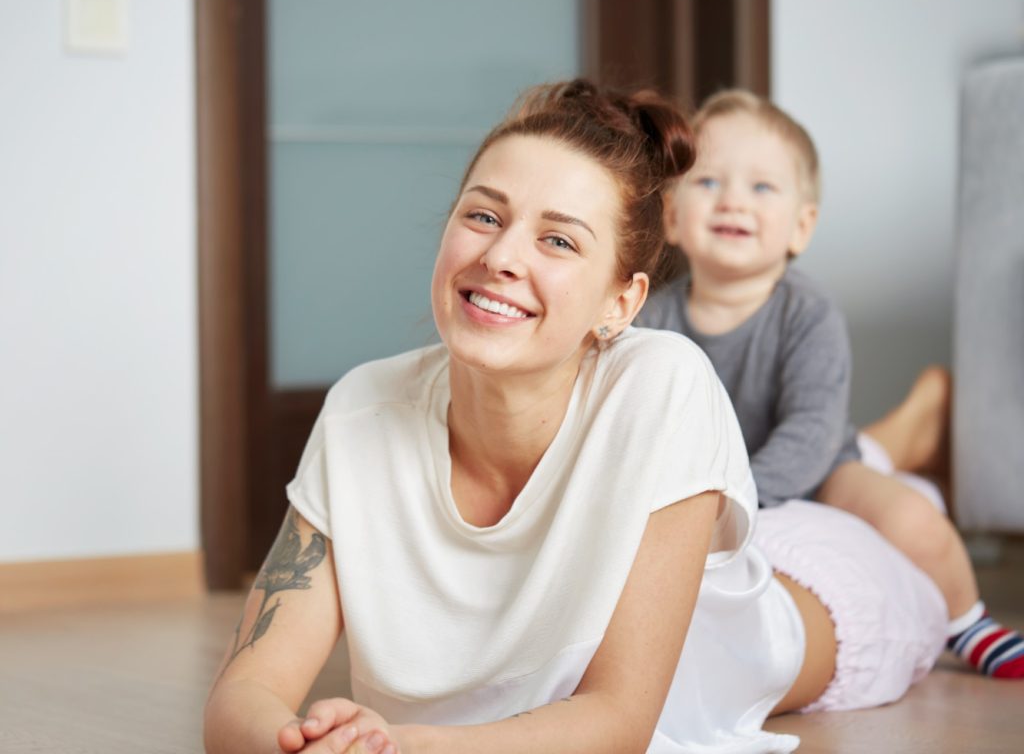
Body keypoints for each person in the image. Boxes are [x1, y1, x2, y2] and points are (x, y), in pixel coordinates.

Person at [204, 80, 946, 754]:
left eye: (557, 240)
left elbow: (618, 722)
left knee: (893, 529)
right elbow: (243, 694)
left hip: (819, 598)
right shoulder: (362, 409)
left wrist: (405, 748)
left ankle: (897, 440)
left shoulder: (663, 381)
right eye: (483, 215)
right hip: (700, 548)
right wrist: (302, 746)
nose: (500, 255)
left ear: (620, 303)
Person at [637, 88, 1023, 681]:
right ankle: (914, 424)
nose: (733, 200)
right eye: (709, 181)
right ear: (671, 216)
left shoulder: (808, 313)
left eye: (762, 187)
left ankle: (968, 619)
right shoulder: (651, 317)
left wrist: (741, 498)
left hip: (819, 468)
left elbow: (812, 429)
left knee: (913, 517)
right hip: (711, 476)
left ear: (801, 226)